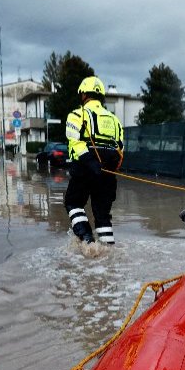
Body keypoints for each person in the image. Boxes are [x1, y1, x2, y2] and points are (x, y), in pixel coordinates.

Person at [64, 76, 125, 245]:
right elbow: (120, 149)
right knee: (102, 215)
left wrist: (90, 163)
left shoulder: (77, 114)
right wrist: (112, 170)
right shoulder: (115, 120)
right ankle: (108, 251)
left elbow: (75, 142)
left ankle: (87, 242)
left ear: (83, 95)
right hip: (108, 171)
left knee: (73, 202)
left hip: (84, 167)